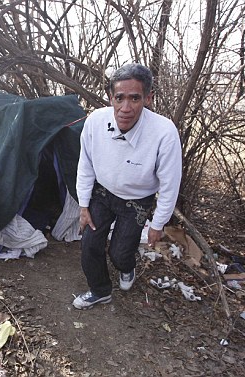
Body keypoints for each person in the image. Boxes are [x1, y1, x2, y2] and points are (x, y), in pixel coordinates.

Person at [73, 63, 182, 310]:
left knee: (120, 252)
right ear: (111, 97)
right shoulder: (95, 122)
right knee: (90, 243)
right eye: (119, 98)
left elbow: (169, 183)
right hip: (102, 193)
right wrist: (83, 204)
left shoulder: (164, 132)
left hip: (137, 200)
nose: (125, 108)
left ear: (148, 98)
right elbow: (85, 163)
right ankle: (100, 290)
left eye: (135, 98)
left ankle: (126, 267)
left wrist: (158, 223)